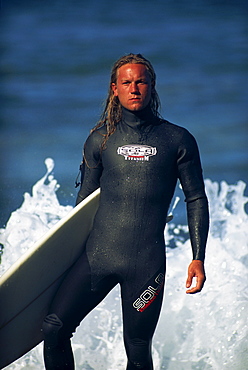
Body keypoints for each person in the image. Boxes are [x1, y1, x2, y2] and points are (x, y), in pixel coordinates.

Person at [42, 53, 209, 369]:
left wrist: (198, 257)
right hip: (97, 258)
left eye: (141, 81)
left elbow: (196, 199)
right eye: (127, 82)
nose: (134, 88)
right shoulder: (99, 140)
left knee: (138, 348)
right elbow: (83, 206)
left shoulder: (177, 140)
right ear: (114, 89)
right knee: (54, 328)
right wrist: (58, 261)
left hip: (145, 264)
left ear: (151, 86)